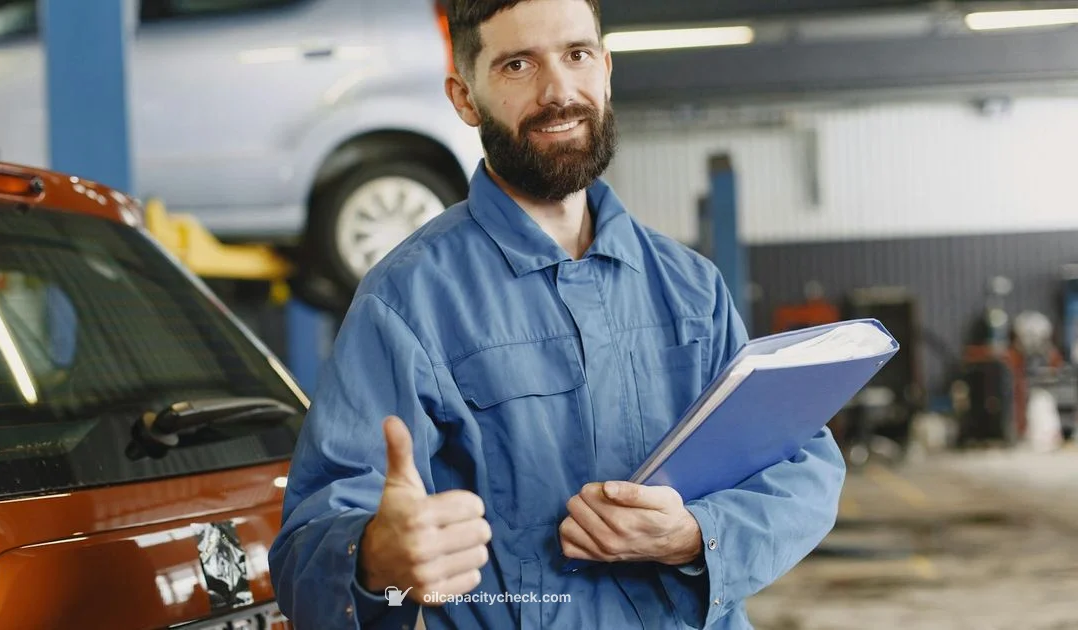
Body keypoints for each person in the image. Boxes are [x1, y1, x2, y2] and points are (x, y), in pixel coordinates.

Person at [268, 0, 847, 627]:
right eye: (518, 65)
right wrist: (376, 556)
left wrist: (694, 533)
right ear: (464, 98)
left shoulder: (691, 287)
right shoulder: (407, 302)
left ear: (606, 69)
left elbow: (801, 466)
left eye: (577, 54)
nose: (559, 92)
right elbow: (305, 551)